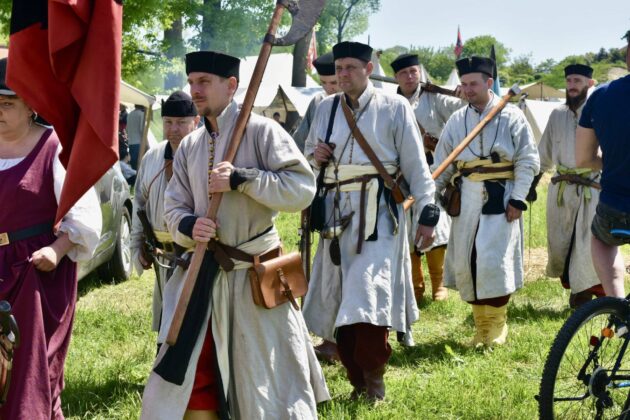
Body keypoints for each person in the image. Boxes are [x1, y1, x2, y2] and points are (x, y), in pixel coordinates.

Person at [140, 50, 328, 420]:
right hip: (201, 276)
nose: (195, 90)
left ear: (231, 85)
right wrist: (190, 226)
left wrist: (242, 179)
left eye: (204, 82)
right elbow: (173, 207)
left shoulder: (263, 131)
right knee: (195, 371)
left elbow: (302, 188)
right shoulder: (191, 145)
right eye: (192, 82)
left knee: (264, 378)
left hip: (252, 278)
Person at [303, 41, 439, 401]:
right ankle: (357, 381)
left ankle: (375, 383)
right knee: (340, 300)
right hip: (335, 215)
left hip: (378, 216)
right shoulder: (326, 108)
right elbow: (306, 159)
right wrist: (315, 156)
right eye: (339, 68)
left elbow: (415, 165)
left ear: (368, 67)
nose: (343, 74)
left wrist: (429, 211)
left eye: (350, 67)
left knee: (367, 298)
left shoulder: (393, 107)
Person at [0, 57, 102, 419]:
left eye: (7, 103)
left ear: (30, 106)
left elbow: (85, 218)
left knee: (30, 377)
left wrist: (56, 251)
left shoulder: (53, 148)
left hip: (35, 273)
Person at [433, 56, 539, 347]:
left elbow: (528, 160)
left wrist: (517, 197)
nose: (467, 89)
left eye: (473, 84)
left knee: (493, 261)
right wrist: (431, 197)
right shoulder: (457, 120)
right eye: (463, 84)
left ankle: (496, 327)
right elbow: (442, 164)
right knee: (471, 260)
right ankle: (481, 328)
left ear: (489, 83)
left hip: (502, 196)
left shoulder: (512, 115)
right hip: (466, 198)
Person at [390, 53, 465, 304]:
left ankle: (439, 285)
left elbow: (464, 109)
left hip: (434, 170)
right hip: (401, 175)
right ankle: (415, 285)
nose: (410, 77)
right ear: (396, 77)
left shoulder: (435, 98)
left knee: (438, 226)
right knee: (407, 230)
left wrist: (462, 94)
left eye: (413, 71)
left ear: (419, 72)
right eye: (404, 73)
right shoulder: (391, 103)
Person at [130, 91, 199, 337]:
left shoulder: (204, 155)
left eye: (181, 123)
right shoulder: (152, 157)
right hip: (161, 252)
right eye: (168, 122)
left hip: (194, 253)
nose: (173, 129)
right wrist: (139, 246)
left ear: (196, 121)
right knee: (165, 316)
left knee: (191, 317)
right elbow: (140, 204)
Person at [535, 64, 603, 308]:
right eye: (569, 81)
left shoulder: (600, 111)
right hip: (562, 190)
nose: (572, 85)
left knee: (589, 242)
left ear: (590, 83)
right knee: (563, 242)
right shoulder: (557, 114)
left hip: (593, 189)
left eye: (578, 80)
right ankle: (577, 290)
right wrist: (532, 184)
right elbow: (544, 153)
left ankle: (590, 294)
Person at [293, 51, 342, 363]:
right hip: (326, 196)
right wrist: (314, 158)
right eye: (325, 83)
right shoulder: (318, 105)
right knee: (327, 270)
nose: (330, 89)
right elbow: (299, 147)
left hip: (365, 200)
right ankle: (330, 337)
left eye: (335, 82)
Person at [575, 30, 630, 299]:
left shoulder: (600, 96)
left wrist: (610, 162)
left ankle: (617, 304)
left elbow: (583, 159)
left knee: (603, 242)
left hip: (614, 204)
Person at [292, 52, 339, 152]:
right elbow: (300, 140)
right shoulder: (318, 101)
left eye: (333, 82)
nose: (328, 88)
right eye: (323, 82)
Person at [127, 104, 146, 169]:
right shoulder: (141, 114)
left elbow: (127, 129)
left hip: (131, 142)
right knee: (139, 165)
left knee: (133, 164)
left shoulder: (130, 114)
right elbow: (142, 129)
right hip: (138, 142)